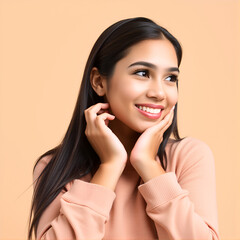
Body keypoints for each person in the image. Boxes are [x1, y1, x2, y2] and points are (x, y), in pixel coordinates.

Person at [28, 17, 219, 240]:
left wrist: (148, 165)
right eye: (142, 73)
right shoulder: (55, 168)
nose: (159, 92)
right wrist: (110, 166)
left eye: (170, 78)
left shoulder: (189, 157)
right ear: (99, 82)